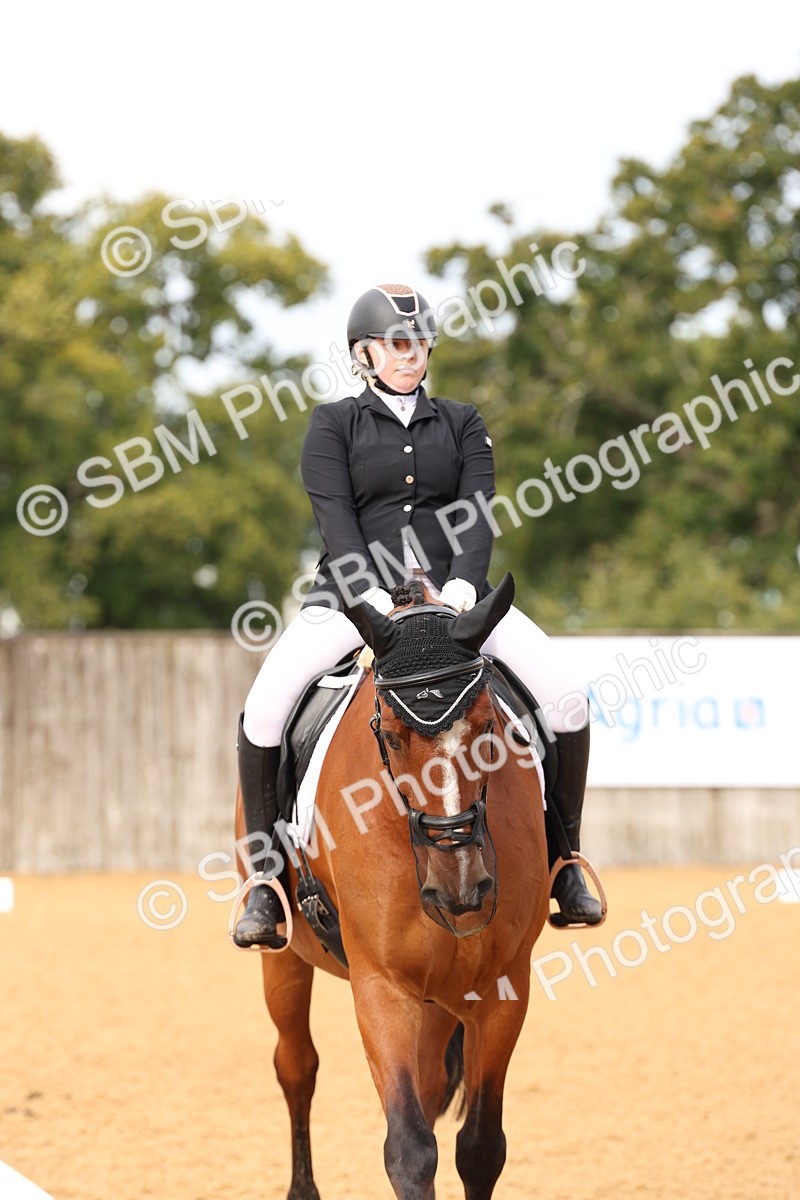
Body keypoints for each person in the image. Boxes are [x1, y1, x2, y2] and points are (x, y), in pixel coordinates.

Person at [233, 283, 602, 948]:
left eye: (419, 341)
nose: (411, 353)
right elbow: (335, 522)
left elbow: (479, 513)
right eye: (397, 343)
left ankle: (565, 861)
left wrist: (462, 591)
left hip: (457, 604)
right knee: (264, 709)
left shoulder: (462, 421)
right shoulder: (332, 424)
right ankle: (264, 879)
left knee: (567, 699)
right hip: (355, 602)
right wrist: (369, 599)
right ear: (364, 353)